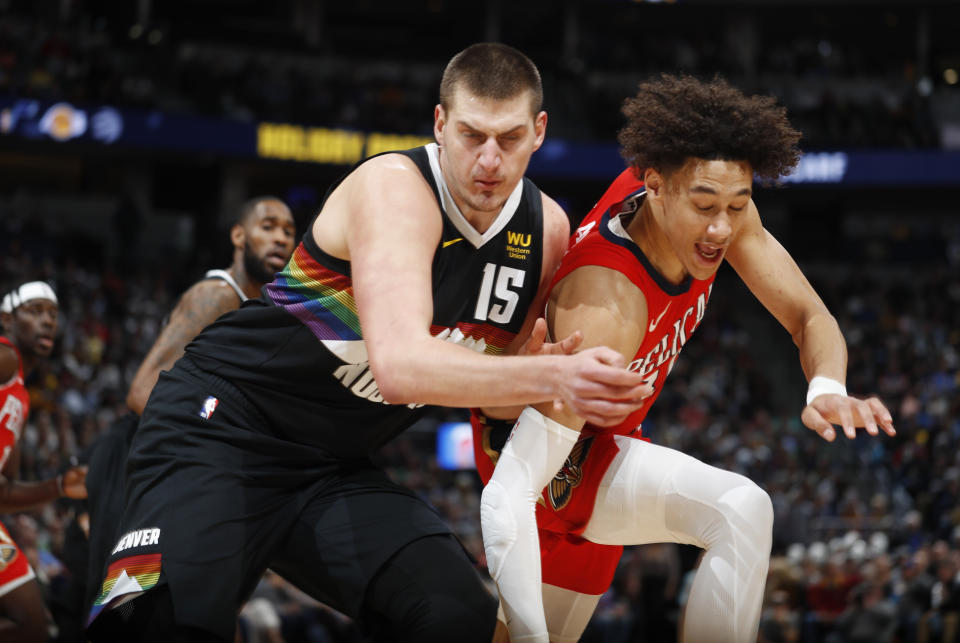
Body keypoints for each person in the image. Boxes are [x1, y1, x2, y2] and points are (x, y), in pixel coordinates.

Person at [86, 43, 651, 643]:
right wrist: (550, 378)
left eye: (509, 139)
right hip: (221, 428)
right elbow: (401, 367)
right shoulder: (394, 187)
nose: (489, 159)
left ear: (539, 132)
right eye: (470, 135)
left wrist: (547, 383)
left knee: (456, 616)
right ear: (439, 123)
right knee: (159, 629)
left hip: (328, 467)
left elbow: (495, 399)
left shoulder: (548, 229)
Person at [475, 74, 898, 643]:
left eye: (737, 206)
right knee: (740, 509)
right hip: (547, 453)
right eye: (705, 207)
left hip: (605, 440)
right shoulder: (607, 304)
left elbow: (810, 316)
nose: (721, 228)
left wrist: (825, 387)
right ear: (655, 187)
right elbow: (512, 490)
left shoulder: (700, 194)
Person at [82, 196, 297, 615]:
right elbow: (142, 391)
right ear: (239, 236)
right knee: (122, 608)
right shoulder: (216, 295)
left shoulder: (260, 308)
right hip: (136, 453)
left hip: (174, 456)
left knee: (187, 605)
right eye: (268, 226)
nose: (280, 239)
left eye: (289, 232)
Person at [0, 281, 88, 642]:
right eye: (35, 312)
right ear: (6, 320)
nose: (48, 321)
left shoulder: (20, 392)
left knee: (35, 627)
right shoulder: (5, 355)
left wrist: (57, 487)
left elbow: (4, 492)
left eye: (52, 314)